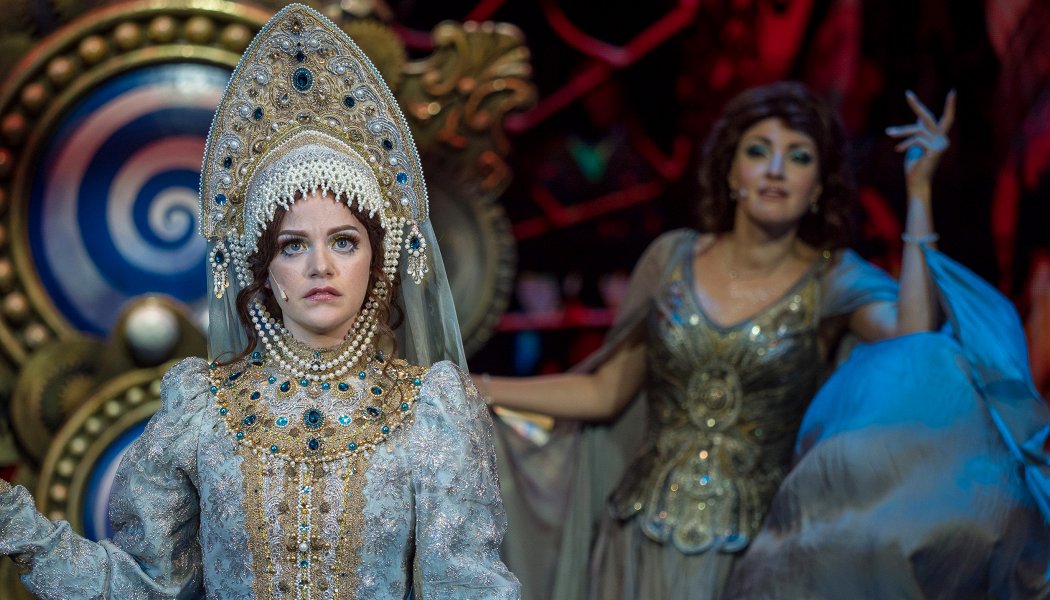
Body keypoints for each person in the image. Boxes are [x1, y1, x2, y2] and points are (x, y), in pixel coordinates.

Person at [0, 4, 520, 599]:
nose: (320, 267)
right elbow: (145, 587)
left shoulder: (430, 412)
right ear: (263, 269)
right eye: (293, 245)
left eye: (344, 242)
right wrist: (16, 526)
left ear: (377, 258)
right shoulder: (203, 412)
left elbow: (467, 589)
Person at [482, 81, 1048, 599]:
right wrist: (476, 386)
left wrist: (919, 193)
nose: (776, 169)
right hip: (635, 541)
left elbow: (915, 343)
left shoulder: (833, 278)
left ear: (818, 187)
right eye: (758, 151)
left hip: (754, 559)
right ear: (731, 172)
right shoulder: (671, 257)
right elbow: (606, 390)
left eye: (799, 157)